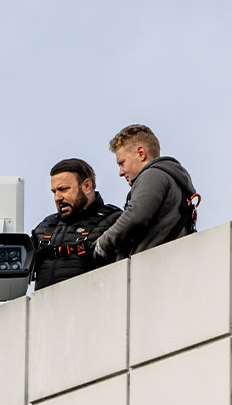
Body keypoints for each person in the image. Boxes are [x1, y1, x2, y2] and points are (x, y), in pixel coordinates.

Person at [94, 124, 198, 260]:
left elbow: (135, 216)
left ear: (141, 153)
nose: (120, 172)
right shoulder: (172, 178)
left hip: (152, 268)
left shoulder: (153, 175)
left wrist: (102, 244)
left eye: (122, 163)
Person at [31, 158, 123, 290]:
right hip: (43, 308)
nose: (57, 198)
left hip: (93, 306)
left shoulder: (114, 220)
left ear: (87, 186)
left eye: (63, 189)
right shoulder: (45, 226)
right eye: (54, 191)